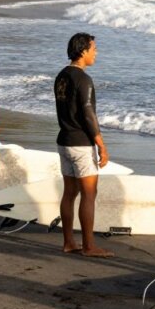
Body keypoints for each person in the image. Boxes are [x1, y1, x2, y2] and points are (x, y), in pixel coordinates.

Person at [54, 32, 113, 258]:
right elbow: (88, 114)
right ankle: (89, 246)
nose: (96, 52)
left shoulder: (61, 76)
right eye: (93, 48)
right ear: (82, 51)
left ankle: (69, 242)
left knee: (69, 193)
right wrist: (101, 144)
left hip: (64, 141)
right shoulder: (84, 80)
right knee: (89, 194)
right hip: (81, 144)